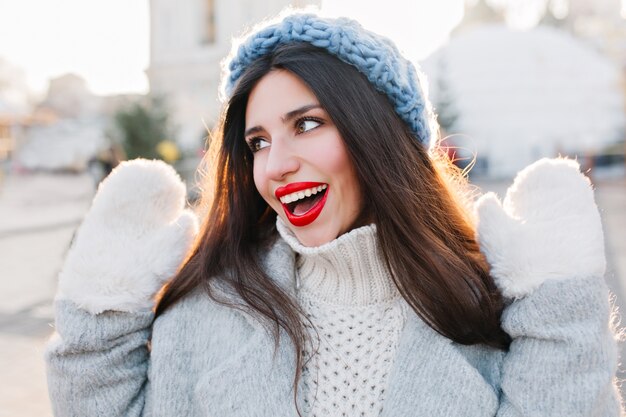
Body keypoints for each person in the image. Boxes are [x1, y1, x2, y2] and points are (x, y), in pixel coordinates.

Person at [45, 10, 623, 416]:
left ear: (378, 135)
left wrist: (562, 314)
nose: (275, 166)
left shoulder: (482, 307)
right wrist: (102, 314)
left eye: (307, 124)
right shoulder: (208, 313)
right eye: (258, 142)